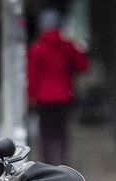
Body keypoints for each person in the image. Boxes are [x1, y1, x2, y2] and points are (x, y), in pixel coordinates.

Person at [27, 9, 88, 166]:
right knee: (62, 132)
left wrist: (30, 96)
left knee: (45, 133)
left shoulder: (37, 48)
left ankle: (47, 164)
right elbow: (82, 66)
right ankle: (63, 162)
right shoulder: (67, 46)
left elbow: (32, 76)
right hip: (63, 96)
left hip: (44, 97)